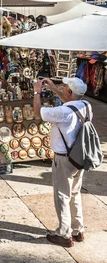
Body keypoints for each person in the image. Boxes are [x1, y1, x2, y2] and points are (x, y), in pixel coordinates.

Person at [33, 76, 92, 247]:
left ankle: (64, 234)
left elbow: (38, 112)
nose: (64, 88)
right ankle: (78, 229)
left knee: (62, 194)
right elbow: (69, 100)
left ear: (69, 91)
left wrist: (38, 91)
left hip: (64, 158)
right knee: (74, 192)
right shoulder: (85, 106)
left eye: (65, 87)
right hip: (79, 156)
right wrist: (53, 88)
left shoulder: (63, 112)